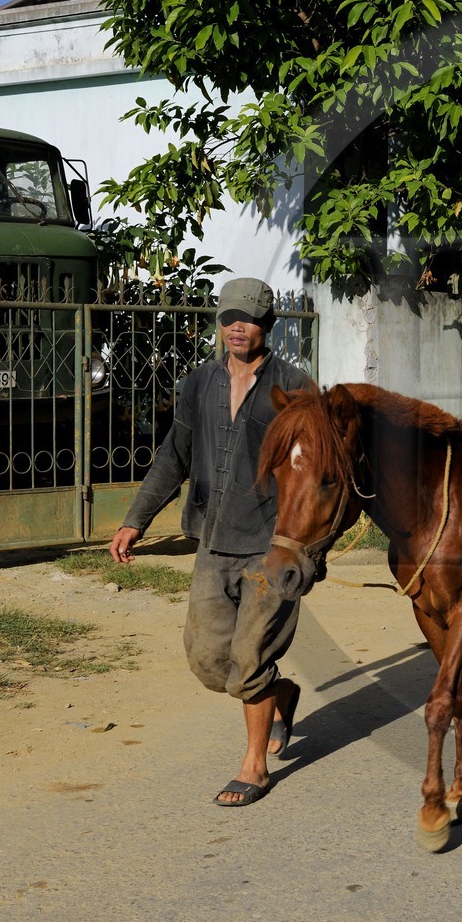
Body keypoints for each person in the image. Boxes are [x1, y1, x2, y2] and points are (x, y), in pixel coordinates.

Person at [110, 277, 315, 806]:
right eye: (227, 317)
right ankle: (280, 693)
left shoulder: (295, 386)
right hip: (212, 541)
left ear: (266, 323)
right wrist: (137, 519)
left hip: (272, 546)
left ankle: (254, 765)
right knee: (207, 661)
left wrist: (309, 548)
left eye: (246, 318)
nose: (235, 327)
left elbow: (315, 471)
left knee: (248, 659)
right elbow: (174, 454)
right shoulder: (198, 383)